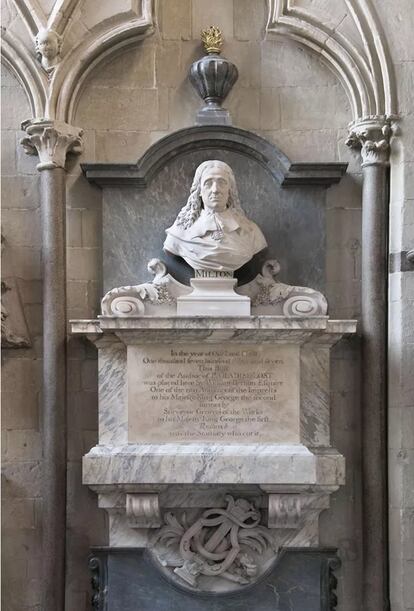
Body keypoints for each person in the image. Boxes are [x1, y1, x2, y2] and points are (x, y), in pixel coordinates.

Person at [164, 160, 267, 272]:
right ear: (199, 190)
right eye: (208, 183)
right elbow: (171, 246)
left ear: (230, 190)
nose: (215, 190)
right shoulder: (180, 231)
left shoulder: (251, 232)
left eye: (222, 183)